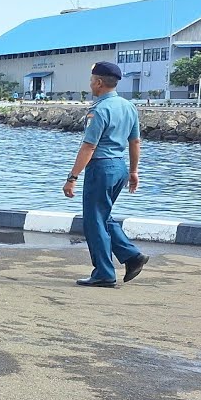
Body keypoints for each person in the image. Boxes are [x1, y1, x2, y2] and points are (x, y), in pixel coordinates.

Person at [63, 61, 149, 287]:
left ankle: (104, 272)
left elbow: (89, 147)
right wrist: (133, 171)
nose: (90, 84)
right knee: (102, 216)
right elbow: (135, 141)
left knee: (94, 222)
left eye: (92, 80)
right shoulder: (128, 106)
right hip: (119, 167)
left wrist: (72, 177)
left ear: (99, 82)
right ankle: (132, 256)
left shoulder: (99, 109)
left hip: (101, 168)